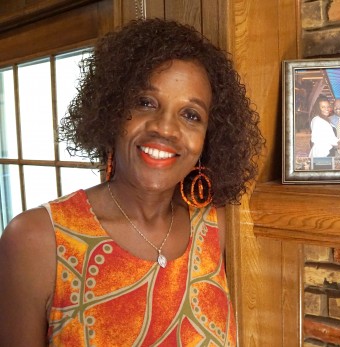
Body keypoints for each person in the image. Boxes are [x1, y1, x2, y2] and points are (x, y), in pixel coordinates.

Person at [0, 19, 263, 346]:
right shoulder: (36, 240)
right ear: (112, 110)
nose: (165, 128)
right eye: (146, 102)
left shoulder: (217, 227)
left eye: (191, 115)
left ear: (209, 139)